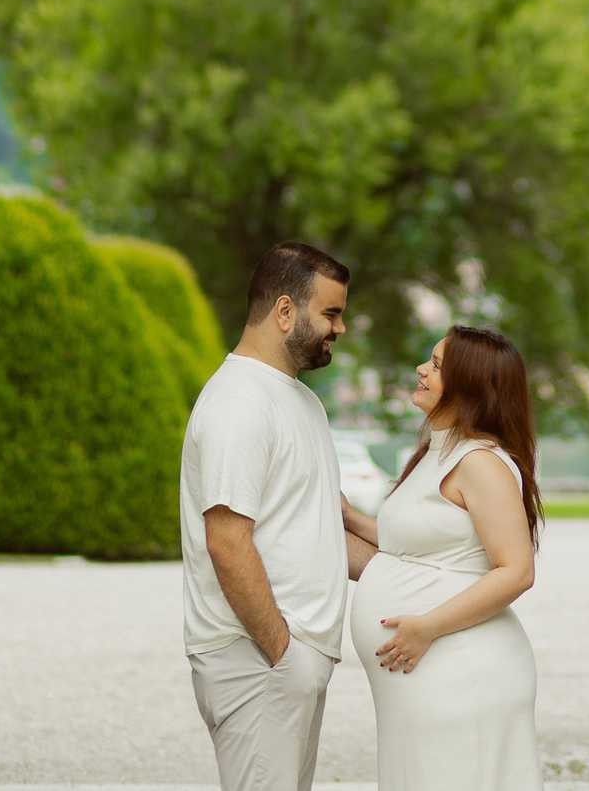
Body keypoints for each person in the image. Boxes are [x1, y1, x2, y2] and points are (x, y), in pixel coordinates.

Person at [180, 240, 377, 791]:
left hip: (289, 661)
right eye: (331, 313)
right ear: (285, 310)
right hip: (258, 659)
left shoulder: (300, 400)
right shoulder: (239, 404)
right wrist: (284, 654)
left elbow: (317, 534)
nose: (340, 328)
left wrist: (420, 572)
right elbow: (226, 540)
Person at [342, 323, 545, 791]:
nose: (421, 369)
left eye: (436, 365)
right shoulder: (437, 452)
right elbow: (420, 545)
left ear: (470, 384)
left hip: (460, 669)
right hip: (428, 674)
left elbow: (517, 571)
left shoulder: (479, 462)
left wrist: (426, 626)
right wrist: (352, 518)